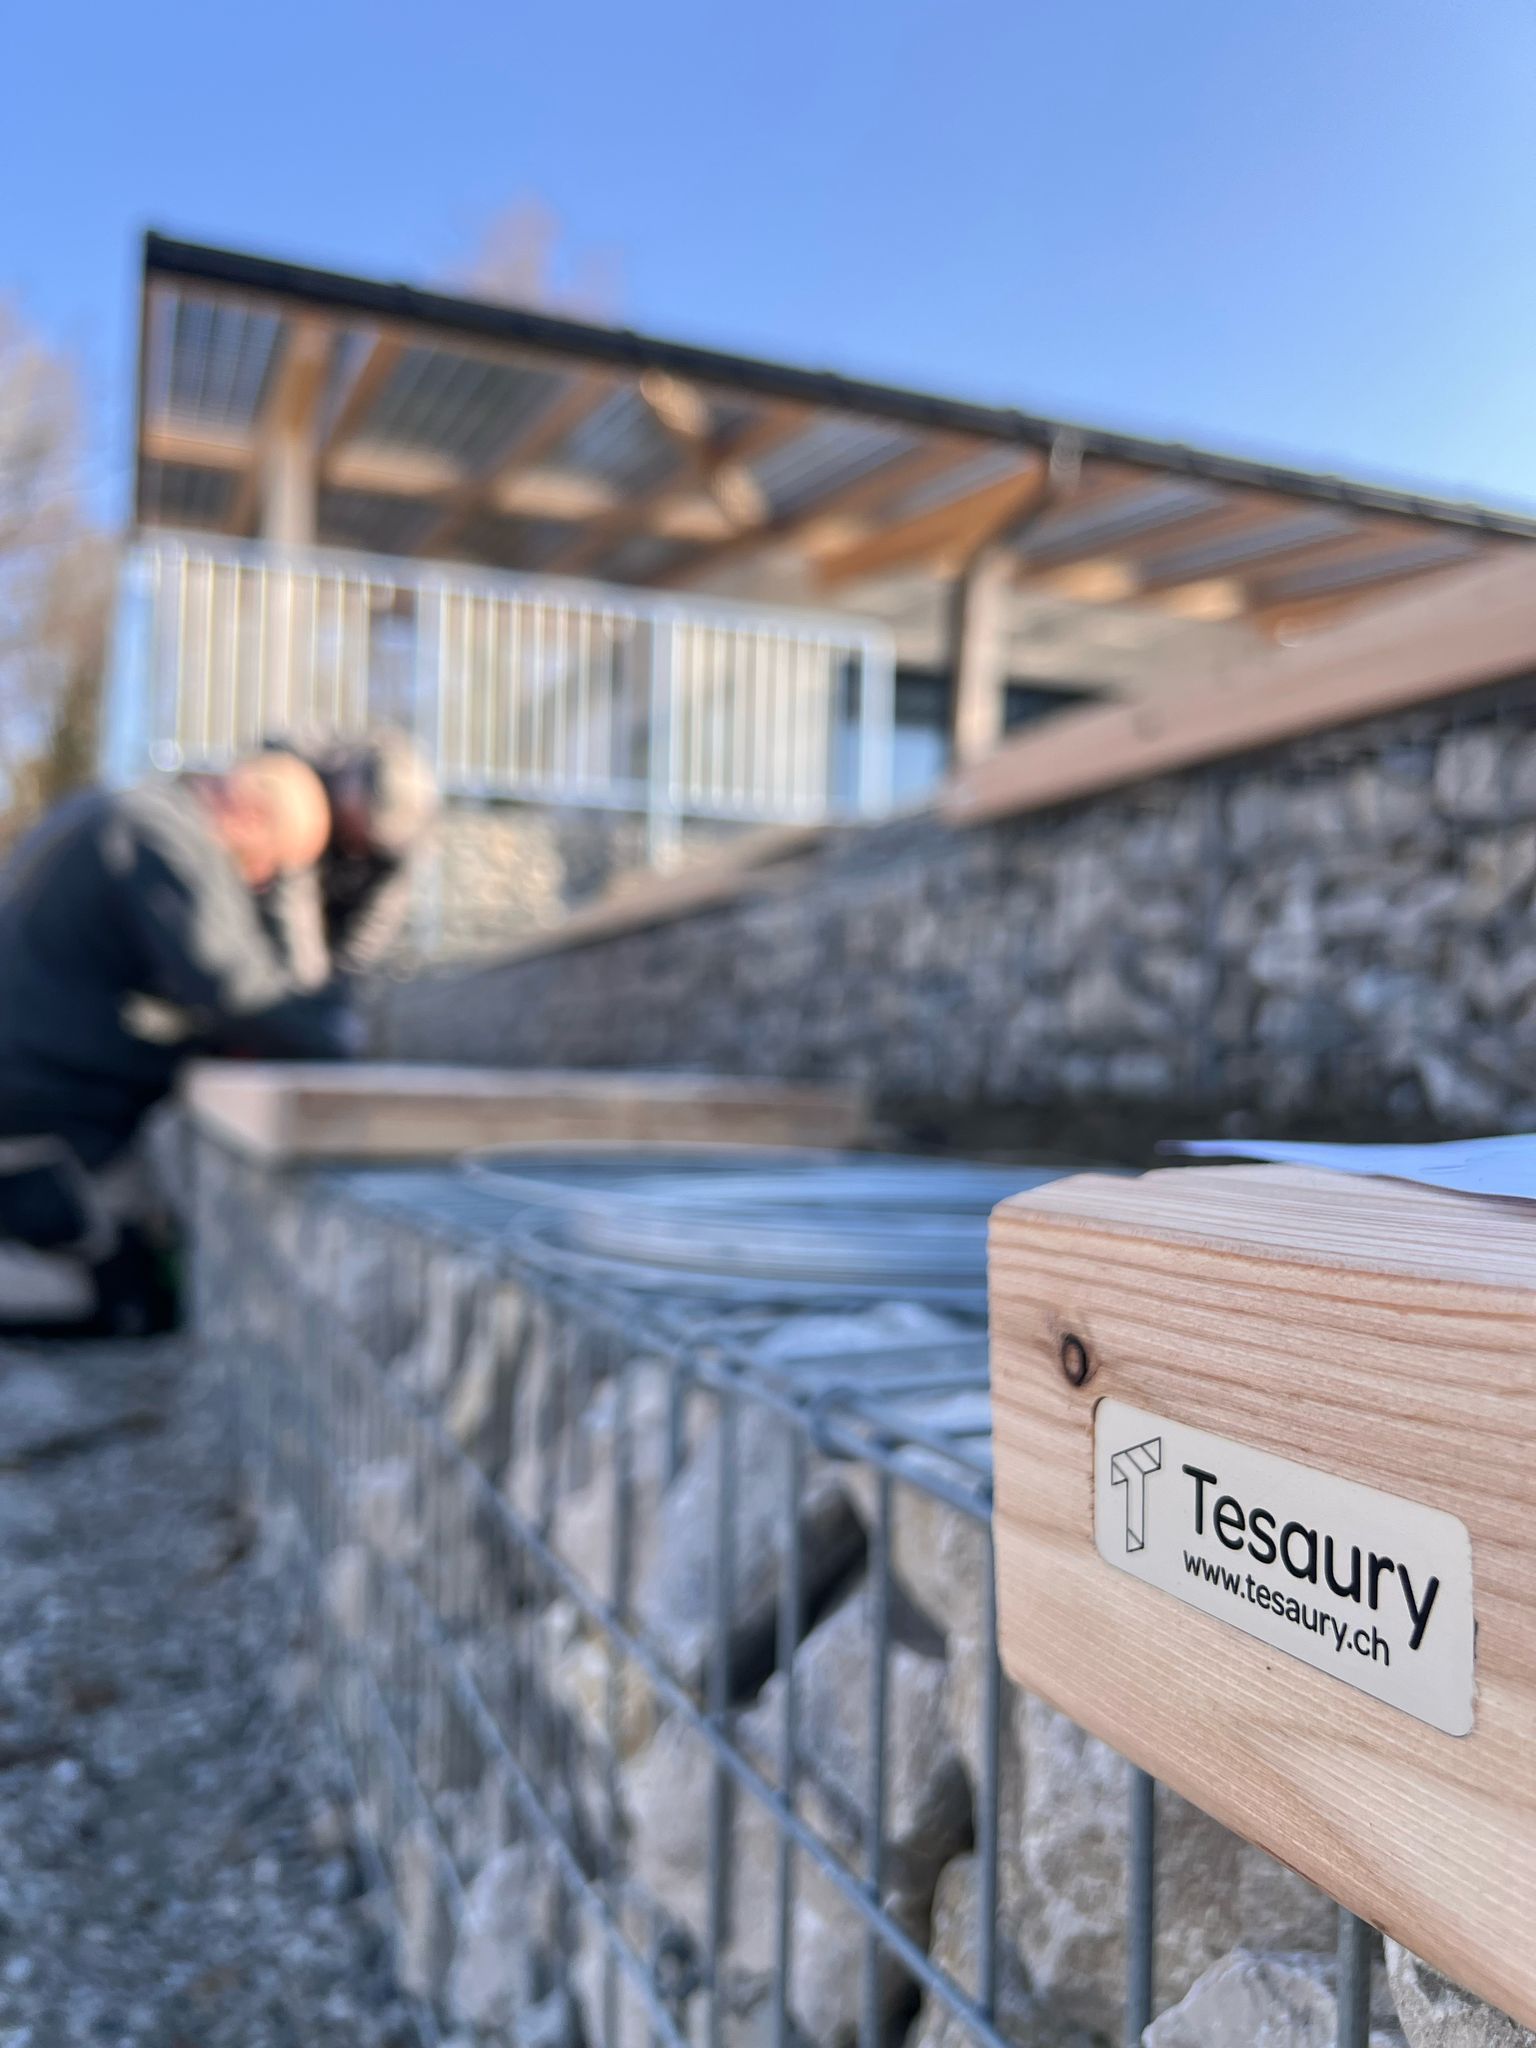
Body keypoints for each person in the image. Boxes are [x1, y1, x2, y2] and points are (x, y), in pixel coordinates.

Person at [0, 754, 358, 1334]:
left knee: (145, 1283)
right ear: (246, 813)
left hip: (43, 1087)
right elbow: (238, 990)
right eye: (267, 866)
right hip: (42, 1108)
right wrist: (339, 1040)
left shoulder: (119, 811)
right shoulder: (159, 834)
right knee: (125, 1304)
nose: (258, 883)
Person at [261, 730, 438, 987]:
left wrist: (346, 985)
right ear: (351, 788)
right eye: (367, 828)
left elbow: (380, 915)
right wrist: (310, 991)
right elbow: (291, 897)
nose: (366, 843)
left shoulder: (403, 832)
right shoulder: (298, 780)